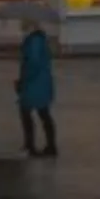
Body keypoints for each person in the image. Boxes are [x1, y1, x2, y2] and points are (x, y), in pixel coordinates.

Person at [15, 19, 58, 156]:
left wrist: (23, 80)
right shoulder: (39, 39)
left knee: (26, 112)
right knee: (43, 113)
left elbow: (32, 63)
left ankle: (30, 146)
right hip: (42, 82)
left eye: (24, 23)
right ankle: (50, 146)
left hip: (33, 83)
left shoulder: (34, 41)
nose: (21, 25)